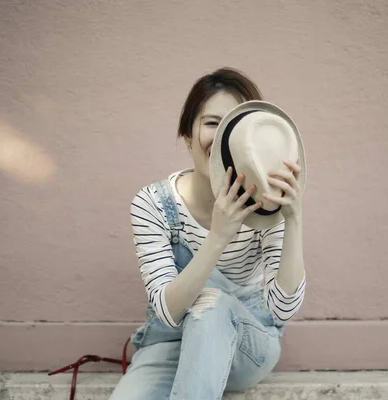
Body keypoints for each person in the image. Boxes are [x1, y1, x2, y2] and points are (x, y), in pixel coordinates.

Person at [109, 67, 306, 400]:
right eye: (214, 123)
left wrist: (294, 219)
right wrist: (218, 236)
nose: (224, 137)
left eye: (236, 125)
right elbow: (168, 312)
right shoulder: (154, 203)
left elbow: (282, 308)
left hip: (248, 345)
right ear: (187, 135)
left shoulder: (268, 204)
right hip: (170, 346)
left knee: (211, 308)